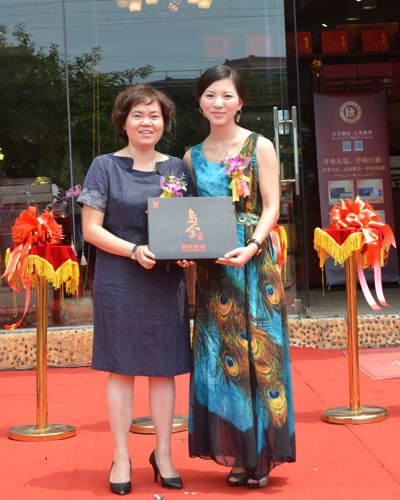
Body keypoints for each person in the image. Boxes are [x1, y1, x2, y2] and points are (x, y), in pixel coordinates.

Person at [78, 83, 194, 495]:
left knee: (164, 369)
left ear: (165, 123)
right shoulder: (104, 166)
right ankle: (122, 455)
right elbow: (90, 230)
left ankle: (163, 454)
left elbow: (189, 223)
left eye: (155, 116)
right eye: (138, 115)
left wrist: (188, 252)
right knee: (122, 367)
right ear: (123, 122)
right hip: (119, 278)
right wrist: (133, 250)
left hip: (164, 282)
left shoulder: (177, 169)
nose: (147, 123)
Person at [183, 65, 296, 489]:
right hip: (213, 270)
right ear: (200, 103)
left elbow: (272, 205)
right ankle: (237, 451)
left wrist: (252, 245)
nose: (218, 103)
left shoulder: (259, 145)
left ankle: (261, 453)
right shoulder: (191, 157)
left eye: (227, 95)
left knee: (260, 355)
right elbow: (190, 215)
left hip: (253, 262)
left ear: (240, 102)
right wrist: (184, 251)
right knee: (221, 357)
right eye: (210, 95)